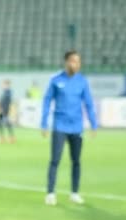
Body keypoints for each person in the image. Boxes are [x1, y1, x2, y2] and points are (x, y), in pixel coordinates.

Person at [41, 50, 97, 206]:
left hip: (76, 127)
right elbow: (47, 101)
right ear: (66, 62)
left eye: (78, 62)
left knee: (76, 161)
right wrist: (44, 123)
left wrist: (93, 124)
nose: (76, 64)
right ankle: (51, 193)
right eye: (73, 61)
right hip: (59, 126)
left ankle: (74, 193)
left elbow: (89, 103)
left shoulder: (82, 82)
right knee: (55, 160)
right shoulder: (56, 80)